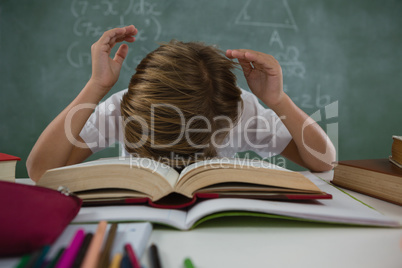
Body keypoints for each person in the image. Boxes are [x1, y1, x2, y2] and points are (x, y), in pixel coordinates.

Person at [27, 25, 336, 182]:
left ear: (227, 121)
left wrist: (277, 100)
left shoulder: (241, 109)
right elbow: (41, 171)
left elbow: (323, 160)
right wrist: (97, 86)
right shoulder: (122, 108)